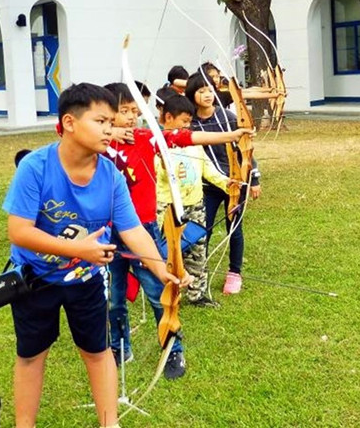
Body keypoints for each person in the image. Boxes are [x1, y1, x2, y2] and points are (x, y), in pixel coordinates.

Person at [2, 82, 189, 428]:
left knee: (98, 352)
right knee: (31, 355)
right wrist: (78, 249)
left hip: (84, 281)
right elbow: (20, 231)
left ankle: (110, 423)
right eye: (101, 121)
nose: (111, 129)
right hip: (34, 278)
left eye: (111, 121)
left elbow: (133, 231)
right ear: (70, 123)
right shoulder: (35, 167)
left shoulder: (111, 177)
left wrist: (163, 270)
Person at [101, 82, 250, 378]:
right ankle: (120, 347)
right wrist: (109, 133)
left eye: (135, 111)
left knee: (160, 293)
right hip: (107, 233)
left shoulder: (145, 138)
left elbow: (183, 136)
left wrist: (231, 135)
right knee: (114, 297)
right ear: (106, 114)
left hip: (141, 229)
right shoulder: (96, 144)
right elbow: (62, 129)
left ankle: (173, 350)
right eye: (124, 111)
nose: (131, 117)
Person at [186, 72, 261, 295]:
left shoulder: (228, 117)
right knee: (202, 230)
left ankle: (234, 273)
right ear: (192, 95)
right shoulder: (190, 122)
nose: (207, 95)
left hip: (236, 183)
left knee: (234, 229)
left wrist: (254, 178)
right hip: (207, 186)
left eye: (210, 90)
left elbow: (245, 149)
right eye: (201, 91)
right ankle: (198, 273)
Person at [157, 93, 231, 307]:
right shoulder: (157, 143)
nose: (188, 126)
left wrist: (227, 183)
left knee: (198, 248)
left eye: (190, 122)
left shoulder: (192, 143)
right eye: (184, 121)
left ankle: (197, 294)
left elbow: (207, 167)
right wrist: (163, 165)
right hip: (168, 206)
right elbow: (159, 176)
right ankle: (170, 293)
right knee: (170, 251)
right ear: (168, 117)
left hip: (195, 203)